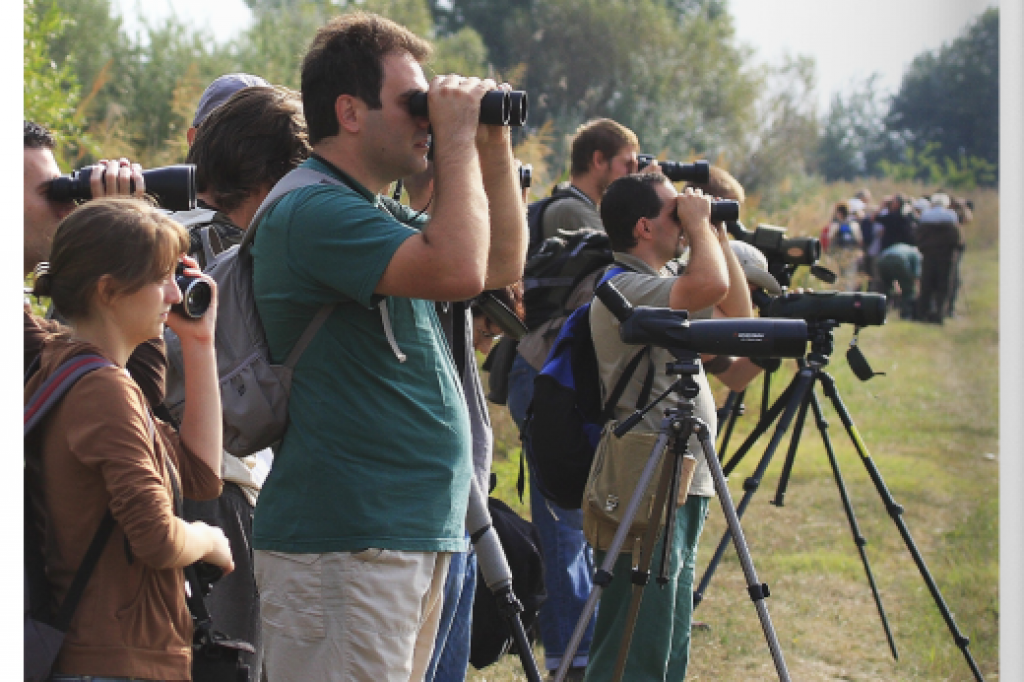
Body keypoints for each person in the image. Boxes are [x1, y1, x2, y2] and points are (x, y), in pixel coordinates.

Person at [249, 12, 526, 681]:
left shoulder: (368, 208)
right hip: (348, 543)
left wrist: (491, 143)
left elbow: (497, 266)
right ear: (349, 111)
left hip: (395, 536)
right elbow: (459, 269)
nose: (427, 119)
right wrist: (456, 140)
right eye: (414, 104)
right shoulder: (312, 210)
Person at [25, 197, 232, 681]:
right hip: (111, 661)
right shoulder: (101, 389)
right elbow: (157, 538)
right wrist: (208, 540)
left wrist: (200, 345)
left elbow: (201, 476)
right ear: (109, 291)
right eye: (161, 279)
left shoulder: (77, 372)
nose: (175, 296)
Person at [585, 172, 751, 682]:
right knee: (639, 628)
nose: (683, 222)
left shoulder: (663, 284)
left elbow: (736, 317)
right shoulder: (626, 287)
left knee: (669, 624)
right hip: (647, 470)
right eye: (672, 215)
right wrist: (700, 226)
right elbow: (710, 286)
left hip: (680, 471)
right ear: (643, 228)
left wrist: (716, 235)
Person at [176, 78, 311, 682]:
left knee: (234, 657)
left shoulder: (288, 227)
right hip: (200, 469)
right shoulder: (167, 228)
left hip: (241, 471)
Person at [506, 117, 640, 679]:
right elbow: (624, 265)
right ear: (600, 161)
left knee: (576, 523)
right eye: (629, 165)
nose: (636, 171)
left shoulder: (579, 208)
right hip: (549, 374)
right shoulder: (571, 210)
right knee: (563, 528)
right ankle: (570, 658)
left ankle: (578, 646)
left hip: (560, 371)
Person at [914, 192, 963, 323]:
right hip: (945, 257)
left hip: (929, 256)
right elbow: (956, 239)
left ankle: (923, 313)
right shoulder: (951, 215)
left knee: (926, 285)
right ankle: (939, 314)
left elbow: (919, 237)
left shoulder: (926, 216)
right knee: (944, 285)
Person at [825, 201, 863, 291]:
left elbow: (829, 238)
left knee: (836, 276)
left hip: (838, 255)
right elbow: (859, 240)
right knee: (849, 277)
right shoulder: (854, 225)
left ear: (839, 213)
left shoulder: (835, 225)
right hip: (851, 256)